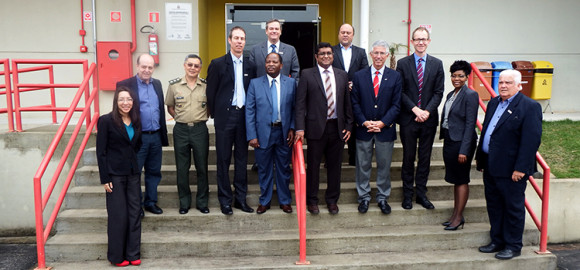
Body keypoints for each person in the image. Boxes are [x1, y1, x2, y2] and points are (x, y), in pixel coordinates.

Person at [476, 69, 542, 260]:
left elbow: (531, 141)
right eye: (501, 82)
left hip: (512, 169)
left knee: (513, 208)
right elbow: (488, 130)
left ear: (518, 85)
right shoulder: (494, 102)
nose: (503, 86)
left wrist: (521, 168)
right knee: (494, 206)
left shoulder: (529, 107)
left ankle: (513, 246)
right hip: (490, 165)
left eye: (508, 83)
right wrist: (481, 159)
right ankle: (497, 241)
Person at [295, 42, 353, 215]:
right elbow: (300, 104)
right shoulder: (306, 74)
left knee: (335, 167)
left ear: (333, 55)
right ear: (316, 57)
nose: (326, 56)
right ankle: (312, 200)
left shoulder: (342, 75)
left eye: (329, 53)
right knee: (313, 166)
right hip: (315, 128)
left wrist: (349, 125)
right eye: (322, 54)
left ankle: (332, 200)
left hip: (337, 128)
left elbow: (347, 103)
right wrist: (299, 127)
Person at [207, 26, 256, 215]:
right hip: (225, 118)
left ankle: (240, 200)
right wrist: (216, 115)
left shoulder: (251, 65)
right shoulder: (218, 64)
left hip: (244, 117)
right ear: (229, 40)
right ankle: (225, 200)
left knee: (242, 161)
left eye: (242, 38)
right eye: (236, 38)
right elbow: (211, 93)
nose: (239, 41)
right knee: (223, 160)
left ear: (245, 42)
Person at [350, 40, 401, 214]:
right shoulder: (359, 76)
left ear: (387, 56)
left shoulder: (395, 76)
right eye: (376, 53)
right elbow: (354, 102)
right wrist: (364, 121)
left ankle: (382, 198)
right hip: (363, 129)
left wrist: (382, 122)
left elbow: (396, 104)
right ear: (371, 55)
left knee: (384, 166)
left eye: (382, 53)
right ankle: (363, 198)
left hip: (384, 130)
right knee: (363, 166)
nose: (378, 56)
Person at [396, 26, 444, 210]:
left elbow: (438, 93)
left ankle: (421, 195)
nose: (421, 42)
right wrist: (415, 110)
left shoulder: (437, 64)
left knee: (425, 158)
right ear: (412, 41)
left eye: (424, 39)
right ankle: (407, 195)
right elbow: (400, 91)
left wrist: (427, 112)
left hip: (429, 120)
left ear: (429, 41)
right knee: (408, 157)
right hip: (409, 118)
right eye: (417, 39)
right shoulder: (403, 64)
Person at [116, 54, 169, 216]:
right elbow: (118, 111)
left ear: (153, 68)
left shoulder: (157, 84)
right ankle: (136, 206)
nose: (147, 70)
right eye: (144, 67)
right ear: (137, 66)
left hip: (156, 136)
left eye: (150, 67)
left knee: (154, 172)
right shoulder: (125, 85)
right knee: (134, 173)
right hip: (136, 137)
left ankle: (151, 202)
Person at [96, 87, 142, 267]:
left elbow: (137, 145)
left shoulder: (137, 120)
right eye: (122, 99)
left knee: (134, 214)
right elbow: (101, 151)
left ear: (133, 102)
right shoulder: (106, 121)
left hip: (132, 174)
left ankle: (133, 253)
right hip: (114, 175)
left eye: (129, 99)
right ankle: (117, 256)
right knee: (118, 216)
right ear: (116, 101)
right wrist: (104, 177)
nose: (125, 103)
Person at [246, 52, 296, 214]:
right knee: (264, 169)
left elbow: (296, 108)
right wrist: (252, 135)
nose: (271, 64)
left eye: (274, 62)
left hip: (283, 133)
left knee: (283, 169)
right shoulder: (255, 84)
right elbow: (250, 111)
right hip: (262, 134)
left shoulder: (290, 83)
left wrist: (292, 128)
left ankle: (284, 201)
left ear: (281, 65)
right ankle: (265, 201)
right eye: (268, 61)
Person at [249, 18, 300, 172]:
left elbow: (296, 72)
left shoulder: (290, 49)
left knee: (283, 159)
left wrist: (292, 91)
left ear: (281, 31)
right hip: (262, 99)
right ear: (266, 31)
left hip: (283, 99)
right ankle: (261, 162)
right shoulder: (255, 49)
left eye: (276, 29)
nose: (274, 31)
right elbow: (251, 74)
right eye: (271, 28)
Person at [165, 54, 210, 215]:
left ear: (200, 68)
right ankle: (184, 202)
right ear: (184, 65)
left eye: (196, 66)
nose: (193, 68)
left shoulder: (206, 85)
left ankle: (202, 202)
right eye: (190, 65)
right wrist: (180, 118)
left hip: (200, 130)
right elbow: (170, 106)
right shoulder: (174, 86)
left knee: (202, 168)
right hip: (181, 130)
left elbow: (209, 107)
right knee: (182, 168)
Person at [439, 60, 479, 230]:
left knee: (461, 179)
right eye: (454, 75)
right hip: (450, 140)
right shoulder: (451, 94)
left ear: (467, 77)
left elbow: (471, 124)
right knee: (455, 179)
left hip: (462, 143)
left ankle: (459, 217)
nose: (456, 78)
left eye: (460, 76)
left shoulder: (470, 95)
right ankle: (455, 215)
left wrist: (464, 150)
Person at [332, 23, 369, 166]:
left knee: (354, 124)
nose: (345, 35)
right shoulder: (332, 51)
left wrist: (354, 83)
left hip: (355, 95)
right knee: (335, 126)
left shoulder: (361, 52)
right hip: (335, 96)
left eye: (348, 32)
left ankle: (353, 158)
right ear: (339, 34)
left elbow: (365, 72)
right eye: (343, 32)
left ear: (353, 35)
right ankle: (333, 160)